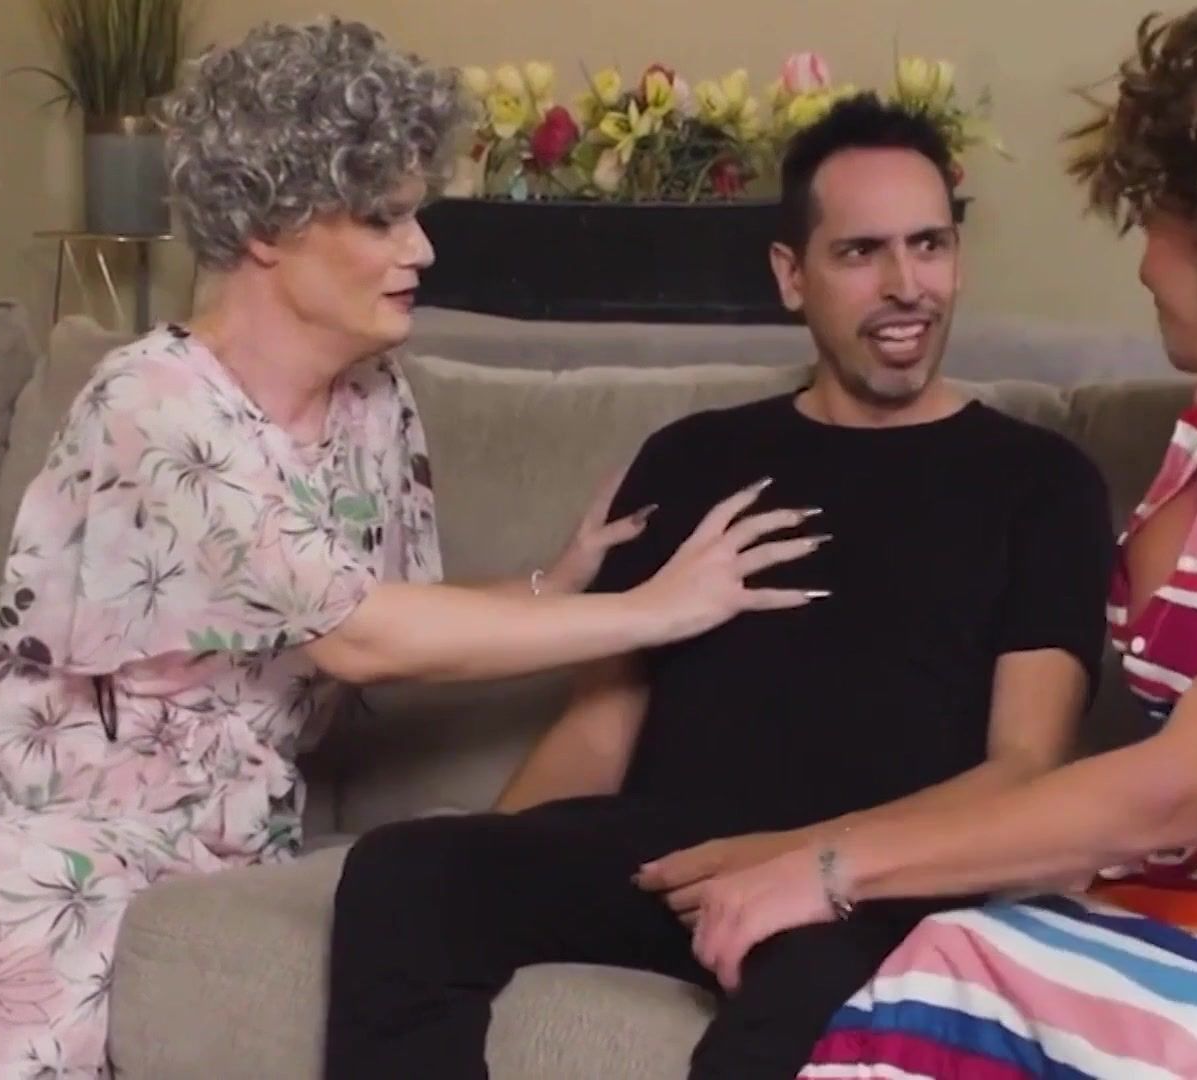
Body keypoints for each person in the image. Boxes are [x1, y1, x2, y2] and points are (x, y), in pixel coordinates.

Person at [0, 19, 824, 1076]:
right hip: (30, 770)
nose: (422, 250)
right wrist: (657, 608)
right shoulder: (154, 405)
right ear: (272, 225)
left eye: (416, 214)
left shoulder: (373, 402)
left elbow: (387, 619)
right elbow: (358, 637)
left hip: (208, 815)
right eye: (383, 218)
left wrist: (555, 581)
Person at [684, 3, 1197, 1078]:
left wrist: (829, 864)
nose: (1143, 268)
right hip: (1180, 902)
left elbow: (1180, 784)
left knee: (1189, 1043)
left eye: (1156, 225)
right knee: (935, 964)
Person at [320, 93, 1115, 1079]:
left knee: (820, 997)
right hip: (665, 857)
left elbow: (1026, 769)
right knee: (404, 871)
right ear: (791, 275)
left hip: (871, 878)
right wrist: (496, 860)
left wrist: (804, 858)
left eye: (930, 246)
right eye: (861, 253)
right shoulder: (694, 457)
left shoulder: (1041, 482)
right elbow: (598, 729)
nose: (907, 286)